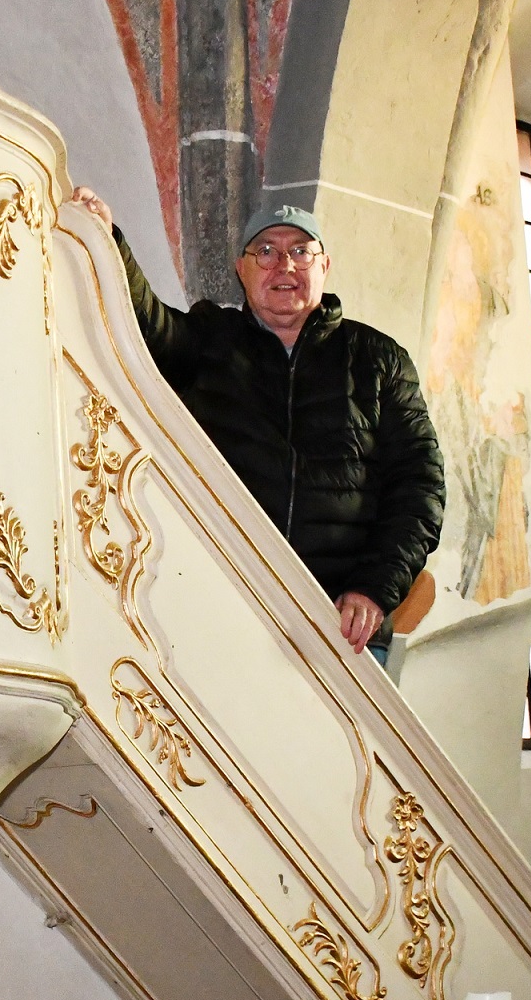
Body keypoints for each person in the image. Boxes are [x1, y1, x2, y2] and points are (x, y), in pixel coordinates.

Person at [71, 190, 445, 659]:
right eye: (265, 251)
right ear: (242, 269)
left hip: (338, 628)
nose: (283, 265)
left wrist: (372, 589)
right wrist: (107, 238)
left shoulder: (379, 360)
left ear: (324, 267)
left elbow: (420, 486)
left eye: (300, 251)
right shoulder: (210, 341)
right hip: (219, 609)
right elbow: (143, 323)